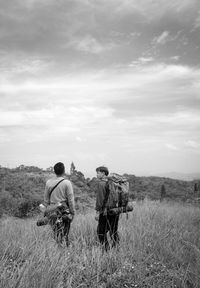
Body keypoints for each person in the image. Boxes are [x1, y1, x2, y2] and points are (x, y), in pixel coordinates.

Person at [44, 162, 75, 246]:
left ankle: (57, 249)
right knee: (65, 233)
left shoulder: (48, 182)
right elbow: (71, 199)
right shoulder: (67, 183)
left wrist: (46, 212)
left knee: (55, 231)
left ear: (54, 171)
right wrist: (72, 212)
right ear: (63, 171)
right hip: (64, 209)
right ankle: (65, 249)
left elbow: (46, 199)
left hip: (52, 209)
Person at [95, 166, 120, 251]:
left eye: (98, 173)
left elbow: (100, 199)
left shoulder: (100, 183)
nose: (97, 175)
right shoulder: (113, 183)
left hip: (105, 211)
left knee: (100, 232)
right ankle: (116, 248)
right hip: (115, 210)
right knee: (113, 231)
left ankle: (106, 250)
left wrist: (97, 212)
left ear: (103, 173)